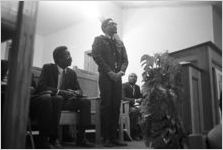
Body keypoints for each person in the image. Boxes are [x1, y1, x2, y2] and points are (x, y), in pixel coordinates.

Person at [34, 46, 94, 147]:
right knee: (58, 98)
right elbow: (41, 87)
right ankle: (53, 138)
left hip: (66, 102)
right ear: (58, 59)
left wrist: (77, 92)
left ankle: (81, 138)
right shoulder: (48, 68)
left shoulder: (71, 73)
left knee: (85, 101)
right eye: (67, 55)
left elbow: (78, 89)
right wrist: (60, 92)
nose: (70, 58)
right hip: (52, 102)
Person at [92, 18, 128, 147]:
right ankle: (105, 138)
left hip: (118, 78)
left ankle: (113, 137)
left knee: (115, 106)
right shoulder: (99, 40)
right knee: (106, 106)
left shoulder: (119, 43)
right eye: (112, 24)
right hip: (106, 77)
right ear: (105, 27)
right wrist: (110, 72)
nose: (115, 25)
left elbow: (125, 60)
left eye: (115, 23)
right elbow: (97, 56)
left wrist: (121, 72)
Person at [122, 73, 143, 140]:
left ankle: (142, 133)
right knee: (134, 111)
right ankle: (133, 133)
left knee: (145, 111)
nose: (133, 78)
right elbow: (122, 97)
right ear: (128, 78)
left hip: (135, 106)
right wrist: (135, 100)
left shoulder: (137, 87)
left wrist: (141, 99)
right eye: (131, 76)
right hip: (126, 106)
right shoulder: (124, 86)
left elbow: (140, 96)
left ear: (136, 79)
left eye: (135, 77)